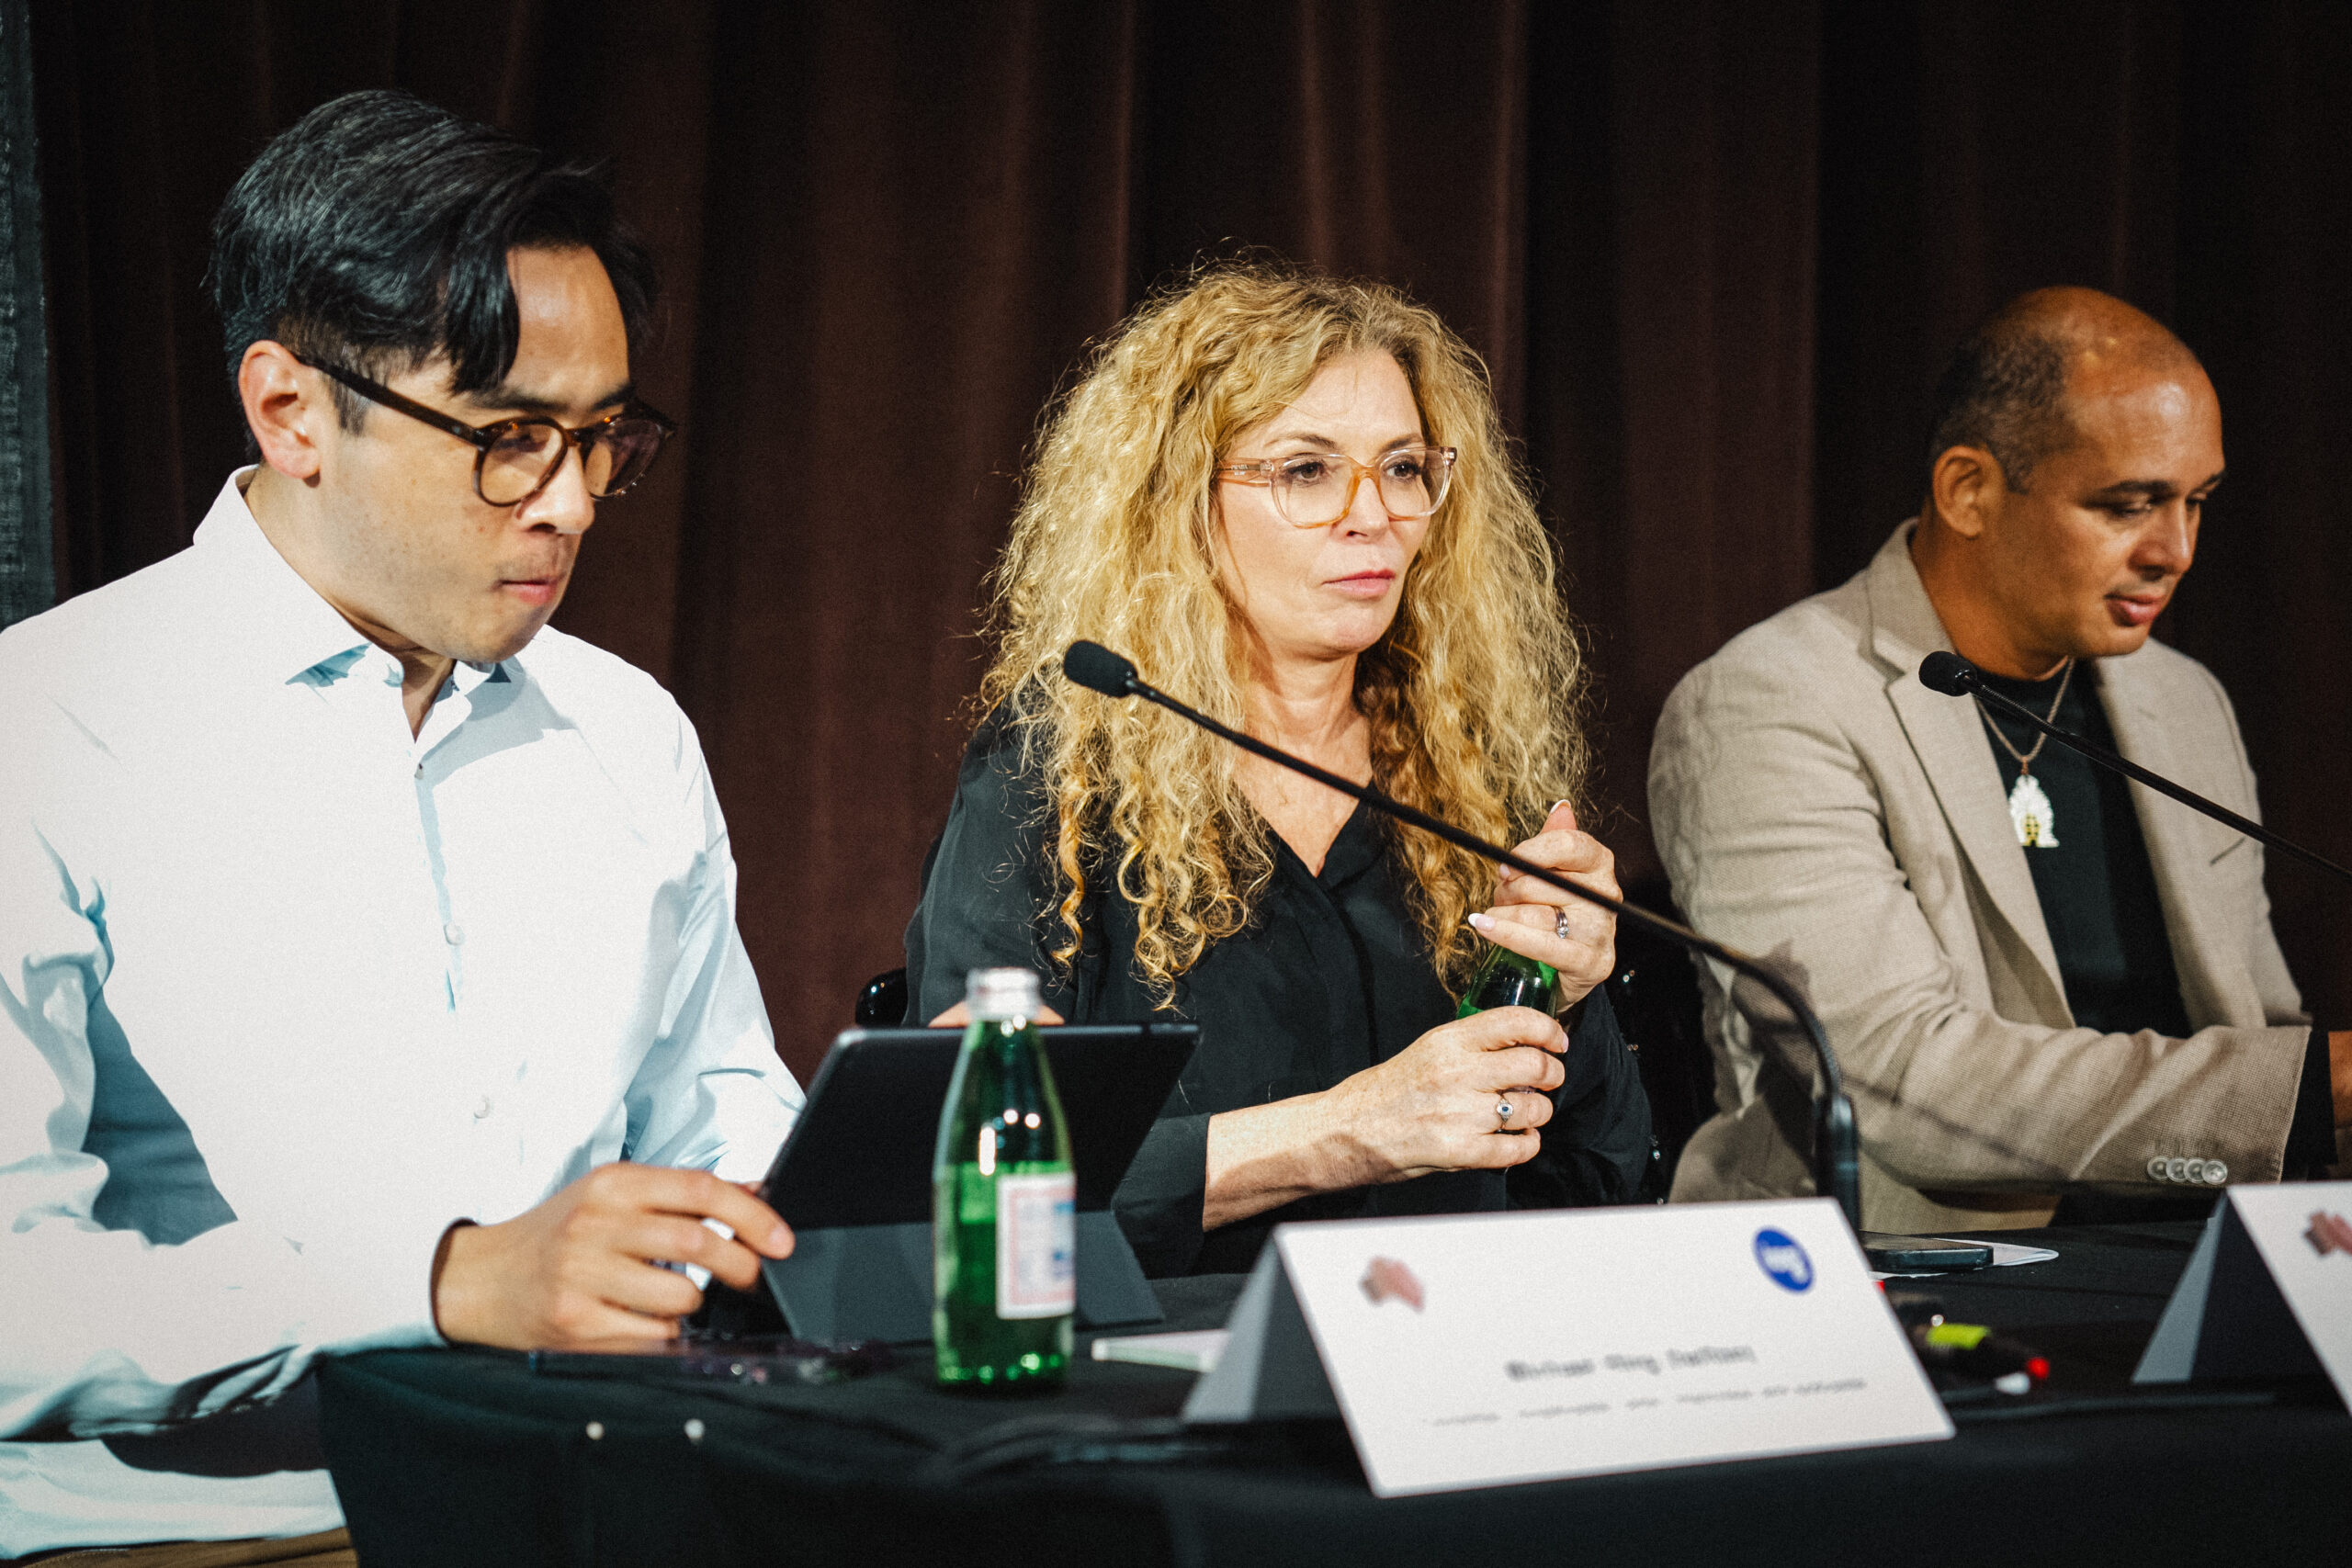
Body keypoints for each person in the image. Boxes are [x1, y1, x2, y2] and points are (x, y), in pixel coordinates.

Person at [0, 93, 801, 1562]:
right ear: (291, 410)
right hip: (218, 1541)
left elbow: (719, 1122)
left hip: (610, 1497)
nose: (570, 503)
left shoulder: (628, 731)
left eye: (604, 438)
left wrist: (860, 1185)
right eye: (508, 438)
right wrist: (441, 1280)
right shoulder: (45, 726)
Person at [904, 264, 1650, 1278]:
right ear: (1176, 502)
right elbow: (978, 1180)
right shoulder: (1057, 766)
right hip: (1166, 1372)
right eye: (1304, 470)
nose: (1372, 515)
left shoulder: (1470, 778)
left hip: (1452, 1353)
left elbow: (1599, 1184)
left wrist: (1571, 997)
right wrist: (1351, 1128)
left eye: (1401, 468)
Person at [1649, 286, 2347, 1235]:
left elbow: (2263, 1025)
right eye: (2127, 506)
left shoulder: (2182, 701)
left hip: (2208, 1254)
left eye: (2197, 503)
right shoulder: (1769, 701)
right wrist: (2313, 1093)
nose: (2175, 551)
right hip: (1906, 1282)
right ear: (1967, 490)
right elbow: (1904, 1083)